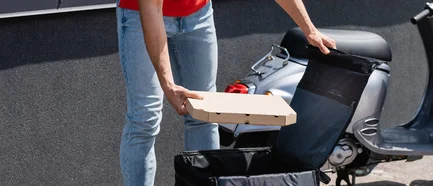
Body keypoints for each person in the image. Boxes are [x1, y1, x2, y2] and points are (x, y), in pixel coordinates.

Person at [115, 0, 336, 185]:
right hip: (141, 12)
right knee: (145, 118)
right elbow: (151, 8)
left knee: (204, 114)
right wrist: (168, 84)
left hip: (197, 15)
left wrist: (310, 30)